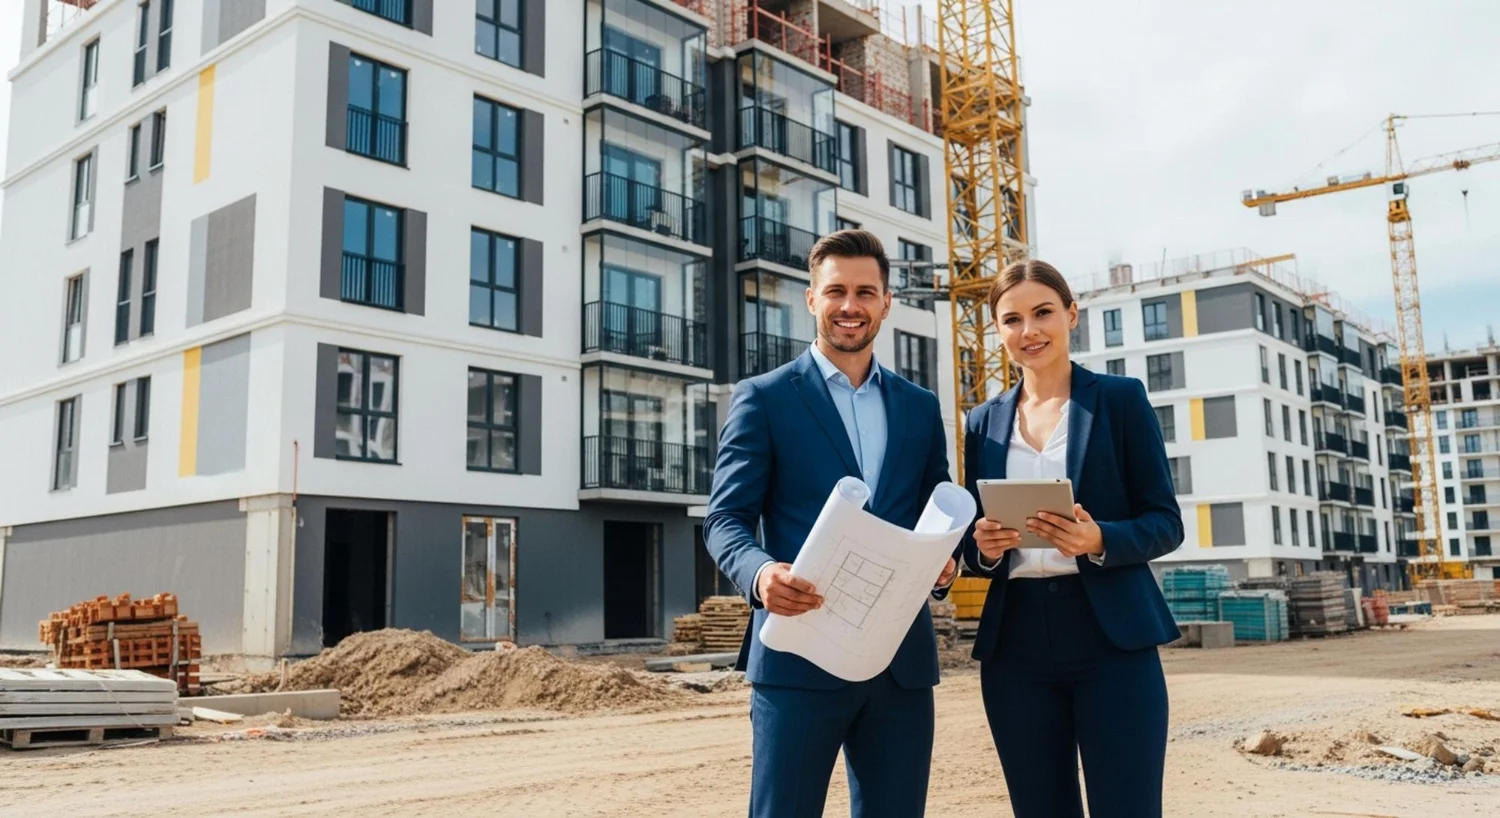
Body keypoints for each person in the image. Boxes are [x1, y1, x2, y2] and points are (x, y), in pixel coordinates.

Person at [704, 229, 958, 818]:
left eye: (865, 292)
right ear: (811, 299)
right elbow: (725, 519)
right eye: (836, 291)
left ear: (886, 302)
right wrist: (762, 575)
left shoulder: (919, 408)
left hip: (900, 664)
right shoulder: (763, 398)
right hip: (798, 655)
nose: (851, 306)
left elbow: (936, 514)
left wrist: (944, 563)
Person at [959, 259, 1184, 818]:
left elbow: (1165, 520)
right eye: (1011, 320)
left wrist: (1098, 537)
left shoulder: (1120, 400)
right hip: (1015, 647)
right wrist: (982, 548)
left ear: (1071, 315)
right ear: (998, 330)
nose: (1028, 331)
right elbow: (971, 540)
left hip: (1110, 637)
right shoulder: (982, 422)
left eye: (1042, 313)